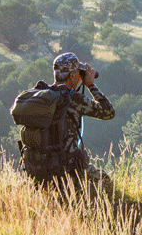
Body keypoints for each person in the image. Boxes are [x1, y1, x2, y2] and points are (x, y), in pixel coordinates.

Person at [50, 52, 116, 196]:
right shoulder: (73, 99)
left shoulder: (44, 96)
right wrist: (91, 85)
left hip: (41, 166)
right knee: (104, 179)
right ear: (72, 76)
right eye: (78, 74)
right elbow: (109, 112)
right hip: (67, 167)